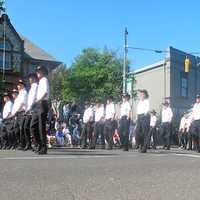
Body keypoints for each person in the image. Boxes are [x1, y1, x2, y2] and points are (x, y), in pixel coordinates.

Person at [30, 66, 50, 154]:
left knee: (41, 127)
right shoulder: (40, 82)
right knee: (33, 126)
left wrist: (37, 101)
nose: (37, 72)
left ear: (43, 72)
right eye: (37, 71)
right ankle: (39, 144)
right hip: (38, 105)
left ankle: (43, 147)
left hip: (42, 103)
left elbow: (45, 92)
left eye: (39, 71)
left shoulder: (44, 79)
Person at [11, 80, 28, 150]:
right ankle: (20, 143)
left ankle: (24, 144)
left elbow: (21, 103)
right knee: (17, 128)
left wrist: (15, 111)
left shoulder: (24, 93)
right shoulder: (20, 93)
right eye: (18, 85)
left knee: (21, 129)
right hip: (18, 113)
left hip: (22, 112)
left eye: (19, 85)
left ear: (22, 85)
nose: (18, 86)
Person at [23, 73, 38, 150]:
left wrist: (29, 108)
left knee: (33, 127)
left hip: (34, 108)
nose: (29, 79)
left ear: (34, 78)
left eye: (31, 78)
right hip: (29, 110)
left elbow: (33, 99)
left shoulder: (36, 86)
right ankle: (29, 144)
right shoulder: (32, 88)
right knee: (26, 127)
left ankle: (36, 144)